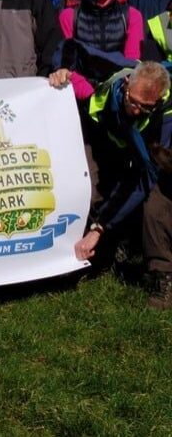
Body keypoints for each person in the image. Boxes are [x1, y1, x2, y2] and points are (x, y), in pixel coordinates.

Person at [69, 62, 172, 307]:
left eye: (146, 107)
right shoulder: (108, 88)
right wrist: (64, 75)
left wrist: (99, 228)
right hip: (121, 152)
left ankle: (162, 275)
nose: (136, 111)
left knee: (155, 204)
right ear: (126, 84)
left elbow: (146, 178)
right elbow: (80, 77)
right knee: (95, 186)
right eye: (133, 101)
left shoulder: (165, 115)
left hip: (163, 160)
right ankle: (116, 246)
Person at [50, 0, 143, 101]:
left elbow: (131, 64)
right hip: (81, 96)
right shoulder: (68, 16)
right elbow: (66, 63)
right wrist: (90, 96)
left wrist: (112, 96)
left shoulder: (132, 16)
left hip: (119, 97)